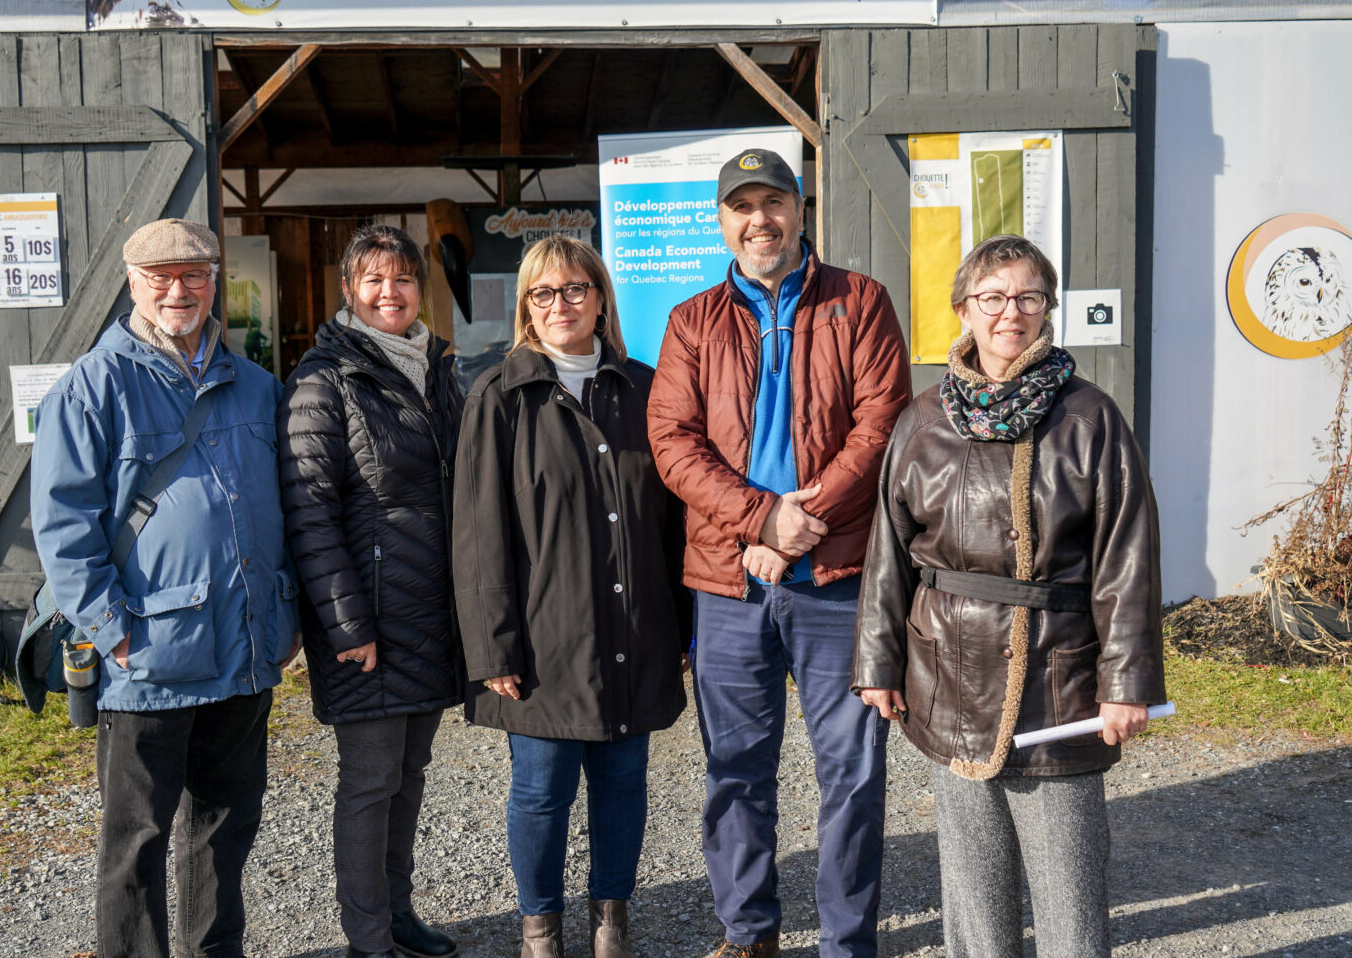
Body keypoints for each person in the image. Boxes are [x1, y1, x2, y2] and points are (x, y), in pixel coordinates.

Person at [852, 235, 1165, 958]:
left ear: (1047, 310)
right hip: (948, 676)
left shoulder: (1090, 417)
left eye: (1027, 297)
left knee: (1070, 906)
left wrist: (1127, 682)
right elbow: (888, 552)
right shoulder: (923, 421)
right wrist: (878, 662)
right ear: (964, 310)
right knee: (974, 903)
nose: (1009, 314)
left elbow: (1127, 558)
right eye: (992, 298)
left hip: (1058, 685)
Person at [647, 148, 911, 958]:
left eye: (774, 202)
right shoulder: (692, 320)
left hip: (836, 575)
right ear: (721, 220)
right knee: (735, 768)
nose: (759, 220)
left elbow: (881, 424)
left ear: (800, 210)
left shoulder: (858, 302)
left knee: (852, 774)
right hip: (731, 580)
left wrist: (807, 518)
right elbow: (672, 442)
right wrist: (762, 522)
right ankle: (750, 931)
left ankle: (845, 941)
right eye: (742, 206)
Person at [31, 217, 301, 958]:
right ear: (133, 285)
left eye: (193, 274)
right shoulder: (91, 388)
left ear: (216, 280)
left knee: (226, 823)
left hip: (245, 647)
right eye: (160, 277)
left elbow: (282, 506)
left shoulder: (257, 386)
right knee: (138, 839)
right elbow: (62, 528)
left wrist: (282, 614)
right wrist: (111, 630)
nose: (178, 289)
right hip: (146, 656)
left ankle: (215, 952)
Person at [455, 235, 689, 958]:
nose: (562, 304)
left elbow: (675, 520)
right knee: (540, 791)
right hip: (542, 638)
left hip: (635, 626)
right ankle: (540, 931)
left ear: (601, 299)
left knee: (623, 784)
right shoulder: (501, 396)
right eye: (544, 293)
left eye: (576, 289)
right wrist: (492, 643)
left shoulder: (645, 389)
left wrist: (683, 626)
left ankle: (612, 925)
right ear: (527, 306)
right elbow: (477, 528)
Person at [279, 224, 463, 958]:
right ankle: (367, 938)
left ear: (421, 288)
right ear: (350, 291)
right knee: (368, 781)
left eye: (405, 279)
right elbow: (308, 511)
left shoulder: (434, 367)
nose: (392, 293)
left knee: (409, 774)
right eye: (375, 280)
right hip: (369, 621)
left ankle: (397, 912)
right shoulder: (325, 380)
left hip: (428, 611)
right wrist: (346, 623)